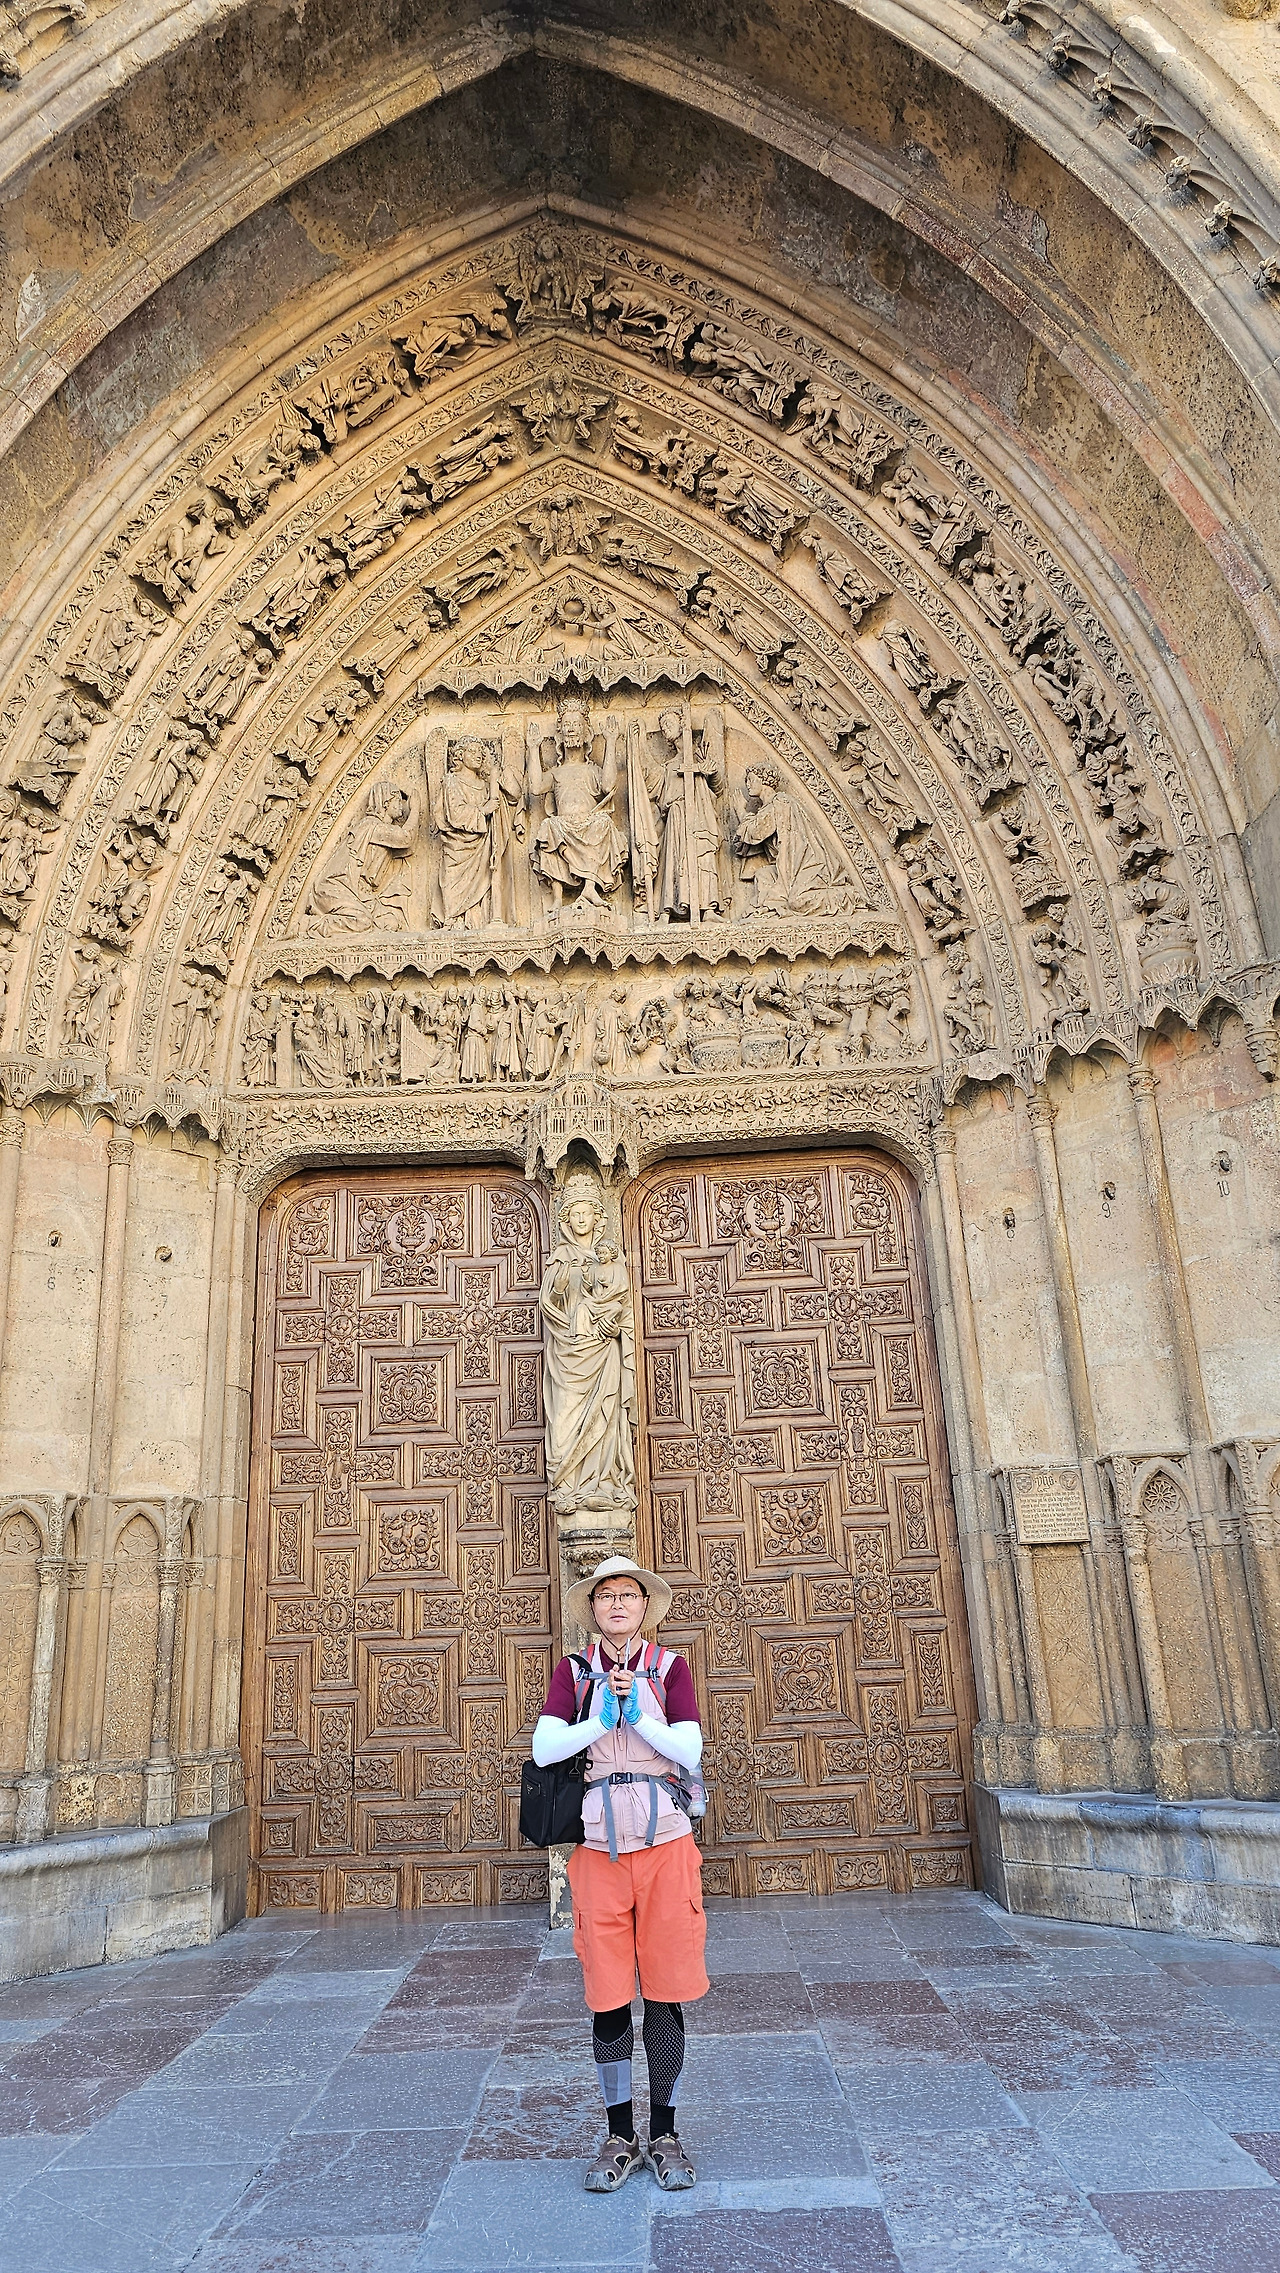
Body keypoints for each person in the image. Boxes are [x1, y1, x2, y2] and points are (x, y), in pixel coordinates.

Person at [532, 1555, 707, 2195]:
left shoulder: (671, 1668)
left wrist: (639, 1716)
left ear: (643, 1607)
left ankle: (664, 2133)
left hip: (665, 1842)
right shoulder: (574, 1671)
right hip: (598, 1844)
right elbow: (544, 1748)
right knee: (608, 1991)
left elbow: (689, 1749)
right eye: (605, 1595)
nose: (616, 1604)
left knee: (664, 1987)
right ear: (593, 1609)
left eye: (627, 1594)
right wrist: (597, 1721)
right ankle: (618, 2134)